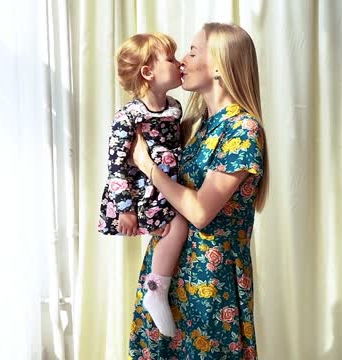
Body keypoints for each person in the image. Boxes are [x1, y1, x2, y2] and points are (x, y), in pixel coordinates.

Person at [127, 23, 269, 359]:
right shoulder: (195, 124)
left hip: (209, 283)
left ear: (219, 64)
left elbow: (201, 212)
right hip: (169, 276)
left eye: (192, 51)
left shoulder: (242, 129)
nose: (182, 61)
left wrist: (148, 166)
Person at [98, 32, 189, 337]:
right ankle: (156, 290)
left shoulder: (174, 107)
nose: (179, 64)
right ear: (148, 72)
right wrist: (125, 209)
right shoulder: (129, 116)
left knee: (178, 227)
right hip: (144, 194)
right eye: (171, 59)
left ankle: (159, 287)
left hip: (166, 187)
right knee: (177, 227)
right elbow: (116, 165)